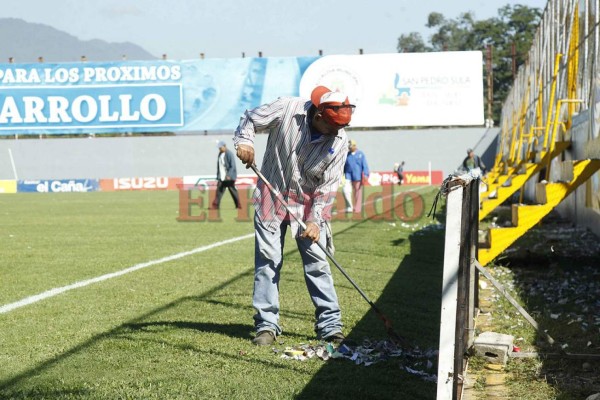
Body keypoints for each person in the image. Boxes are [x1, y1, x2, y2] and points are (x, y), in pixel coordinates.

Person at [234, 85, 354, 346]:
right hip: (271, 194)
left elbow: (328, 186)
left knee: (318, 263)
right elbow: (250, 118)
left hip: (308, 205)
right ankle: (266, 325)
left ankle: (330, 326)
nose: (336, 133)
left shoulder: (340, 140)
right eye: (332, 127)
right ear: (318, 116)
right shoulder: (286, 108)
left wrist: (314, 220)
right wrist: (244, 141)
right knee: (267, 261)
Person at [212, 141, 241, 209]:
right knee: (219, 191)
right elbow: (219, 166)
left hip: (229, 177)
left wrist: (229, 175)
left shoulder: (229, 154)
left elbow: (232, 166)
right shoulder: (220, 154)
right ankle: (216, 206)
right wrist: (218, 176)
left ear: (224, 146)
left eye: (220, 147)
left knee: (232, 191)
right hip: (221, 177)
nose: (219, 149)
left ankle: (238, 205)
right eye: (219, 148)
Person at [342, 139, 369, 213]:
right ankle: (349, 207)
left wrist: (366, 174)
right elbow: (343, 165)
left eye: (351, 146)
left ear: (354, 146)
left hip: (357, 176)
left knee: (357, 192)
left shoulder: (360, 154)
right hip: (348, 175)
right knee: (345, 190)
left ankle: (357, 208)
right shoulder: (347, 154)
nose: (350, 148)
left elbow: (365, 165)